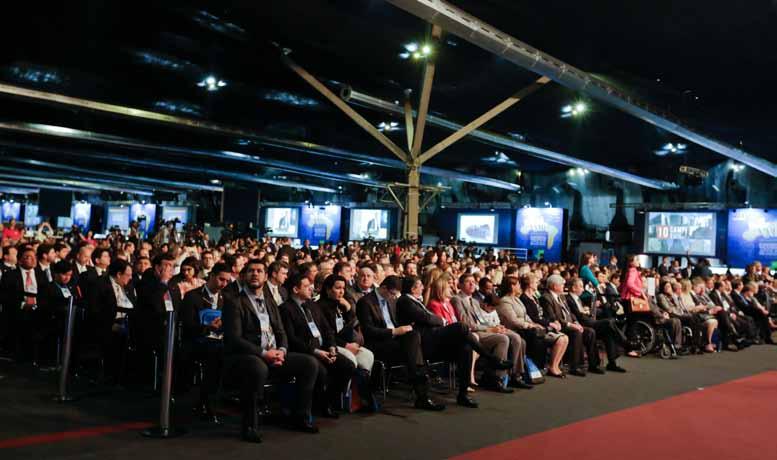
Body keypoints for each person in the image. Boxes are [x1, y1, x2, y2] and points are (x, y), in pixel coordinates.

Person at [222, 259, 320, 443]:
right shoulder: (234, 302)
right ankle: (250, 425)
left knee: (309, 363)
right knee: (258, 368)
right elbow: (235, 339)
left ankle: (300, 417)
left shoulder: (270, 301)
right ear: (243, 276)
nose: (255, 274)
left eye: (259, 271)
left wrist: (281, 350)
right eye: (251, 271)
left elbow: (281, 331)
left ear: (266, 276)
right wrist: (264, 353)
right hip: (247, 355)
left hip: (274, 353)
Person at [394, 275, 510, 407]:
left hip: (432, 337)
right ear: (412, 288)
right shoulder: (404, 301)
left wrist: (435, 320)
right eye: (420, 285)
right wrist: (441, 320)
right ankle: (489, 357)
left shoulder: (416, 300)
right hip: (423, 341)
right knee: (461, 327)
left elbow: (427, 318)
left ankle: (463, 395)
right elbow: (425, 317)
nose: (423, 287)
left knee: (465, 348)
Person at [356, 276, 446, 411]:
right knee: (413, 347)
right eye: (392, 294)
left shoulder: (392, 301)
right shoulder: (365, 302)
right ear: (384, 288)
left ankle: (419, 382)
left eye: (396, 295)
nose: (394, 297)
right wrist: (394, 331)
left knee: (414, 335)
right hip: (379, 343)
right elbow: (369, 331)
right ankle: (421, 385)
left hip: (397, 340)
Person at [279, 273, 356, 419]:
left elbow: (327, 330)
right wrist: (316, 352)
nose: (311, 289)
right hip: (306, 352)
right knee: (321, 371)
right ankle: (314, 407)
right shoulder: (285, 309)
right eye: (307, 286)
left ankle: (327, 402)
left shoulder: (313, 305)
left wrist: (332, 347)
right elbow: (292, 339)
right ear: (296, 289)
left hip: (324, 349)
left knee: (348, 366)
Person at [452, 273, 530, 391]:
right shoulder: (457, 299)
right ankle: (495, 378)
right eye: (468, 281)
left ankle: (515, 375)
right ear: (460, 285)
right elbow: (466, 322)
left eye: (473, 281)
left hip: (483, 328)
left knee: (515, 337)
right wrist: (490, 329)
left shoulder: (474, 300)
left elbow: (483, 319)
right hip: (472, 332)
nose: (472, 284)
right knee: (503, 339)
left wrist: (497, 326)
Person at [178, 262, 232, 424]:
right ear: (212, 276)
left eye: (227, 281)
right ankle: (208, 401)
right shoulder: (192, 296)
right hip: (197, 341)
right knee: (215, 355)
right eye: (221, 280)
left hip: (220, 341)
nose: (224, 284)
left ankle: (216, 397)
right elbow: (187, 326)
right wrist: (208, 327)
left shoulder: (227, 298)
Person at [316, 274, 376, 410]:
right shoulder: (319, 307)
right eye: (338, 288)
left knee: (367, 356)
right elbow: (326, 334)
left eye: (343, 288)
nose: (342, 291)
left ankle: (359, 397)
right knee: (350, 359)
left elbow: (353, 325)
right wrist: (346, 345)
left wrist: (349, 308)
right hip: (330, 344)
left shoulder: (341, 305)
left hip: (344, 341)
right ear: (327, 289)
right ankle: (340, 399)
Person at [499, 275, 568, 378]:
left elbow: (526, 315)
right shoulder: (505, 300)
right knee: (540, 337)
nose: (519, 286)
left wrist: (533, 324)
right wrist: (530, 325)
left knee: (563, 338)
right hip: (517, 329)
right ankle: (525, 371)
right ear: (512, 286)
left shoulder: (516, 299)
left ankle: (554, 366)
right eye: (517, 284)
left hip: (526, 327)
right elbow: (513, 320)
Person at [566, 277, 633, 371]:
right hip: (583, 323)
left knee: (608, 332)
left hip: (589, 321)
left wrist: (587, 310)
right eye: (580, 286)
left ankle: (612, 363)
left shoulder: (578, 299)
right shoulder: (569, 299)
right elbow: (576, 315)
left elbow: (582, 311)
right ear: (573, 288)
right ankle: (625, 342)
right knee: (609, 322)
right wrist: (585, 312)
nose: (583, 289)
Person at [541, 274, 601, 377]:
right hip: (560, 325)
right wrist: (570, 324)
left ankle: (594, 364)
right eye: (561, 285)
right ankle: (575, 365)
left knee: (590, 332)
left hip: (569, 324)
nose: (564, 287)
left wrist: (576, 322)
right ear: (555, 286)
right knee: (576, 332)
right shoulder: (546, 297)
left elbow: (570, 312)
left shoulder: (561, 296)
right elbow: (553, 317)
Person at [89, 259, 136, 384]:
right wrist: (111, 325)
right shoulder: (100, 284)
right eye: (128, 275)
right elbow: (95, 310)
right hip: (107, 324)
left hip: (127, 322)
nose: (130, 278)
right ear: (119, 274)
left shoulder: (128, 287)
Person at [0, 246, 50, 362]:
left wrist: (36, 303)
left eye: (34, 257)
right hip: (17, 313)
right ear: (20, 260)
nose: (32, 260)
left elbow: (46, 294)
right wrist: (23, 304)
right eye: (27, 257)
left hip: (37, 313)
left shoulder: (41, 274)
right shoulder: (10, 275)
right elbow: (5, 296)